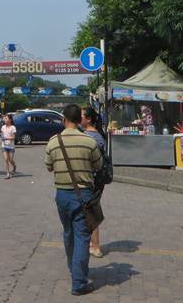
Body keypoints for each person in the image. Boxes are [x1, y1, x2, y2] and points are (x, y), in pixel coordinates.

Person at [45, 103, 102, 296]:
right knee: (82, 236)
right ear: (79, 120)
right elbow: (98, 165)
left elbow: (49, 166)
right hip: (83, 195)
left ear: (64, 119)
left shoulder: (53, 141)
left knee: (68, 233)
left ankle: (73, 269)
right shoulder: (89, 141)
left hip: (62, 195)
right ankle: (78, 282)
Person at [81, 106, 107, 258]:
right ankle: (92, 243)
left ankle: (95, 246)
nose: (79, 119)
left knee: (91, 212)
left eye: (81, 116)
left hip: (93, 179)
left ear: (89, 119)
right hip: (96, 179)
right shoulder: (96, 134)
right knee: (90, 210)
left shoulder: (90, 137)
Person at [0, 113, 17, 179]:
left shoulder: (13, 127)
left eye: (6, 118)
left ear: (10, 120)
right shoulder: (3, 127)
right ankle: (8, 173)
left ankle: (14, 166)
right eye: (4, 118)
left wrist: (6, 138)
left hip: (11, 146)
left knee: (10, 159)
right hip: (4, 146)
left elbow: (14, 138)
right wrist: (1, 136)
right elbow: (1, 134)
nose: (4, 120)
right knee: (6, 159)